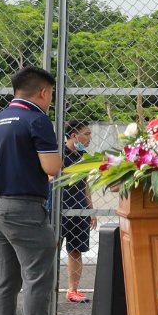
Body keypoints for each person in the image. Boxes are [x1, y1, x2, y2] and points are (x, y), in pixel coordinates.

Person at [0, 66, 74, 315]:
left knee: (6, 280)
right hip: (22, 209)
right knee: (37, 278)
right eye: (51, 95)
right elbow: (52, 167)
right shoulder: (36, 119)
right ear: (43, 92)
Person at [58, 120, 93, 305]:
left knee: (76, 250)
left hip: (79, 208)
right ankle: (47, 288)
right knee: (51, 249)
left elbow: (86, 185)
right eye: (86, 134)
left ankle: (73, 290)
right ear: (73, 135)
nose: (89, 138)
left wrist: (91, 210)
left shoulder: (84, 156)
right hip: (58, 209)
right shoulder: (58, 154)